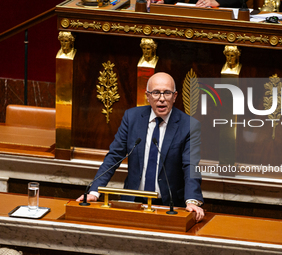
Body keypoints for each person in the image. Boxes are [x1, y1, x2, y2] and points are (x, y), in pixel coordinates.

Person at [77, 72, 205, 222]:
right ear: (147, 96)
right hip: (133, 201)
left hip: (169, 205)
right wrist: (94, 191)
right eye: (156, 93)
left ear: (175, 96)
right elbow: (114, 156)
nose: (162, 99)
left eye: (167, 93)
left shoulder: (189, 126)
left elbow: (190, 165)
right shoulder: (132, 118)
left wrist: (192, 200)